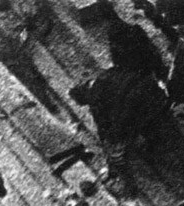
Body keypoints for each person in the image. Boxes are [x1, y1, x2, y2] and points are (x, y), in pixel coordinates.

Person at [74, 20, 172, 185]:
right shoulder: (108, 75)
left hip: (139, 111)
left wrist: (110, 149)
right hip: (152, 99)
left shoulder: (97, 97)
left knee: (129, 132)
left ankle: (151, 147)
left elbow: (104, 127)